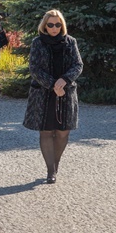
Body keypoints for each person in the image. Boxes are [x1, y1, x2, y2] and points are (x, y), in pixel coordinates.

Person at [23, 10, 83, 184]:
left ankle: (55, 165)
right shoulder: (37, 42)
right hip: (43, 93)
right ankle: (51, 171)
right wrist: (52, 84)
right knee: (47, 131)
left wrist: (63, 81)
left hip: (66, 92)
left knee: (63, 131)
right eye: (51, 24)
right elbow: (34, 68)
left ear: (62, 25)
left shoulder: (71, 42)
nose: (54, 28)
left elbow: (78, 65)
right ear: (45, 25)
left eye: (58, 24)